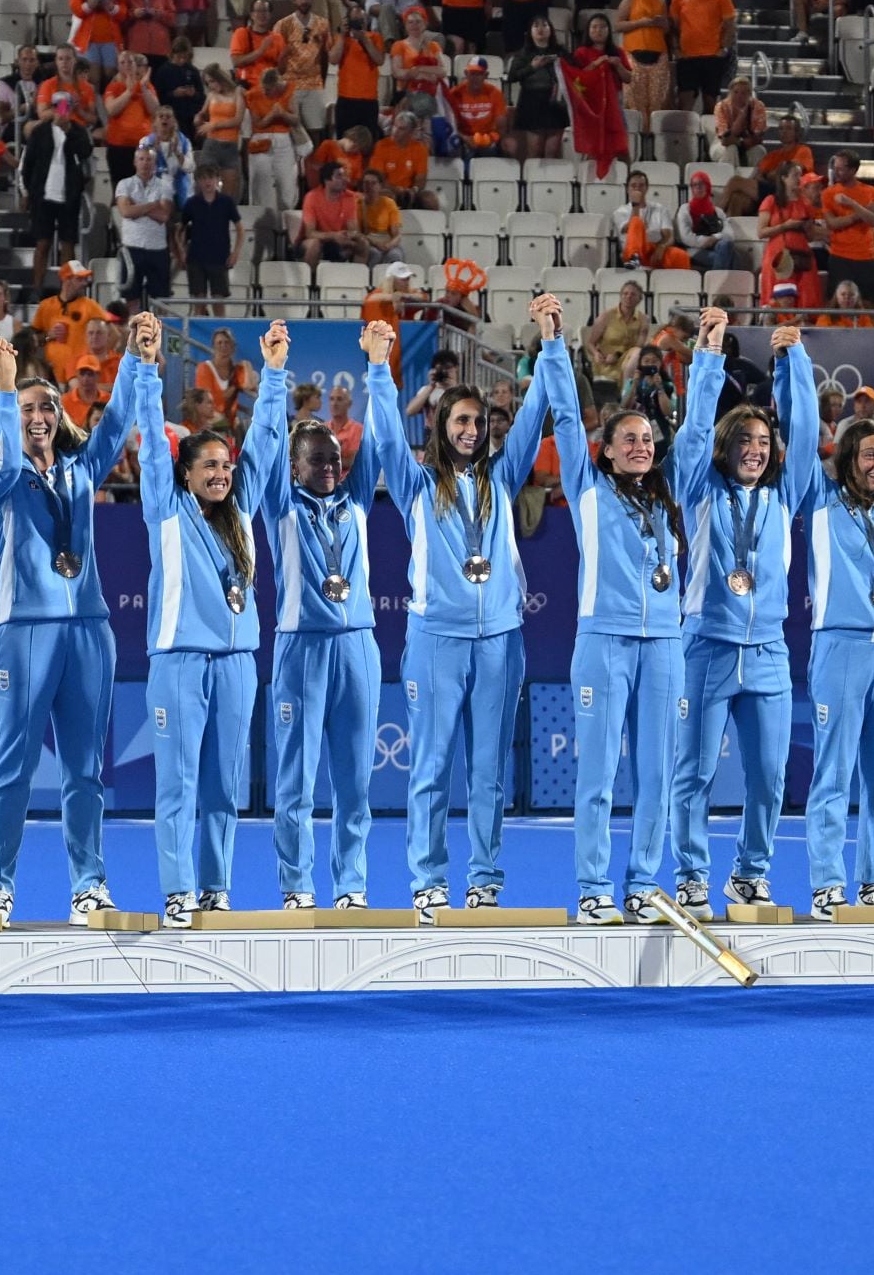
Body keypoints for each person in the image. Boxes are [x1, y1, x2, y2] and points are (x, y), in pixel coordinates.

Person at [364, 295, 553, 919]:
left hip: (501, 639)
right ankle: (427, 883)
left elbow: (529, 421)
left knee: (490, 772)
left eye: (478, 422)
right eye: (459, 422)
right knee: (432, 767)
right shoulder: (416, 483)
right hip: (436, 639)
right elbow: (388, 433)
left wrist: (550, 344)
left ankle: (485, 879)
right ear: (441, 426)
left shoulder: (502, 480)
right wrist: (378, 364)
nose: (471, 431)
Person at [0, 337, 149, 922]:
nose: (40, 417)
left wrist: (135, 356)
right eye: (27, 409)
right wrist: (3, 386)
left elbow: (118, 420)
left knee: (84, 770)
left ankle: (88, 883)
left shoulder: (81, 468)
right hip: (22, 632)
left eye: (47, 407)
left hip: (89, 630)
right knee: (13, 766)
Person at [533, 295, 692, 921]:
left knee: (658, 776)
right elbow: (569, 419)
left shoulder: (665, 504)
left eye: (647, 439)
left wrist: (702, 360)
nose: (640, 447)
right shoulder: (590, 490)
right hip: (604, 642)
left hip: (665, 644)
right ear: (607, 450)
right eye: (628, 439)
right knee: (598, 775)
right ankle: (595, 888)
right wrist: (552, 344)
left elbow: (698, 431)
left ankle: (643, 884)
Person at [672, 308, 815, 917]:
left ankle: (750, 873)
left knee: (770, 777)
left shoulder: (786, 493)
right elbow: (692, 436)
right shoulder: (698, 489)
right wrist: (707, 360)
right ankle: (691, 877)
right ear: (727, 447)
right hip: (706, 644)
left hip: (768, 652)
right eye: (745, 442)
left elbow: (803, 434)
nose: (755, 451)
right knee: (696, 773)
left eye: (763, 443)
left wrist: (794, 366)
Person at [125, 311, 260, 926]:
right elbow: (153, 441)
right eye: (208, 466)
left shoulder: (242, 512)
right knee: (178, 783)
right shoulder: (167, 508)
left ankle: (215, 888)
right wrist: (149, 368)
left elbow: (267, 443)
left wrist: (275, 376)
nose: (220, 474)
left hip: (236, 662)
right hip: (178, 660)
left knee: (226, 789)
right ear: (185, 473)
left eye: (225, 467)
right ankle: (178, 889)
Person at [782, 355, 874, 920]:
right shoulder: (821, 500)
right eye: (869, 454)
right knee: (834, 770)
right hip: (841, 646)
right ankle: (826, 884)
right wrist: (794, 362)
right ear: (846, 458)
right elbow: (796, 437)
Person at [253, 320, 381, 909]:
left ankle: (351, 887)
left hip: (358, 647)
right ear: (295, 466)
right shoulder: (281, 505)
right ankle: (297, 886)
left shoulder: (355, 501)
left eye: (335, 459)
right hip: (301, 647)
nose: (331, 469)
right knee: (296, 780)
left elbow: (377, 441)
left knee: (355, 783)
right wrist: (275, 375)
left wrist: (377, 367)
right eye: (318, 461)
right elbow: (263, 452)